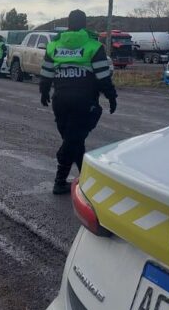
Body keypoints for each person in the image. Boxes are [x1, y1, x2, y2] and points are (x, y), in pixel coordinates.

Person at [40, 10, 117, 195]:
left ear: (67, 24)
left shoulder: (54, 46)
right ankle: (61, 182)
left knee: (75, 140)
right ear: (84, 25)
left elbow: (46, 74)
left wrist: (44, 92)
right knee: (73, 141)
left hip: (60, 102)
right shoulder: (93, 46)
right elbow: (103, 77)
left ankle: (84, 181)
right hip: (85, 103)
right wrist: (111, 96)